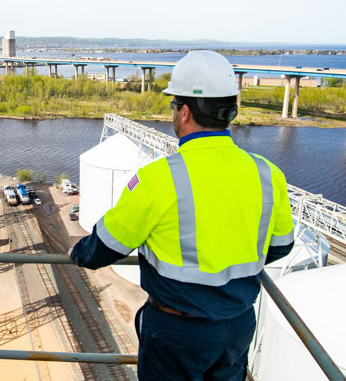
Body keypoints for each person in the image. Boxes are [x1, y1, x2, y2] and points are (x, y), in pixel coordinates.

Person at [68, 50, 294, 381]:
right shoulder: (268, 173)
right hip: (238, 325)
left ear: (184, 112)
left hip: (177, 332)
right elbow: (280, 247)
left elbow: (106, 245)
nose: (173, 112)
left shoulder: (159, 178)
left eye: (173, 105)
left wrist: (78, 253)